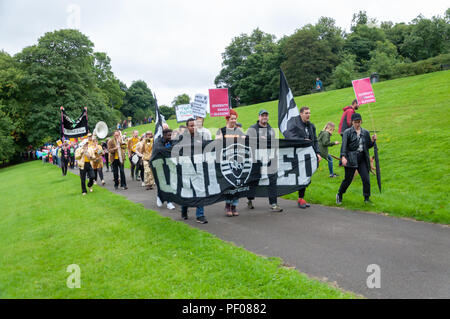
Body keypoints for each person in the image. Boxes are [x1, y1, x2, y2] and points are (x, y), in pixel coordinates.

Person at [283, 106, 322, 209]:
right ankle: (297, 197)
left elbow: (315, 140)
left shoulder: (311, 126)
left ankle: (301, 198)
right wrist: (302, 140)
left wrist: (317, 153)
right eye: (306, 113)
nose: (308, 115)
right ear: (301, 114)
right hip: (297, 155)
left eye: (309, 113)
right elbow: (287, 135)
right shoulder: (294, 124)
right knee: (299, 176)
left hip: (309, 155)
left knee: (306, 176)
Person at [246, 109, 283, 212]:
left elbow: (274, 142)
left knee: (273, 179)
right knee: (254, 180)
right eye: (263, 115)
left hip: (269, 158)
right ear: (259, 117)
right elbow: (248, 141)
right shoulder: (252, 129)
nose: (264, 117)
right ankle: (249, 199)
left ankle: (273, 203)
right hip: (256, 158)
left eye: (266, 115)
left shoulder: (271, 129)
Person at [336, 113, 377, 204]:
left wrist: (373, 141)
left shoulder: (365, 132)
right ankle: (340, 194)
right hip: (350, 158)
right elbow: (344, 146)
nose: (357, 124)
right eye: (355, 122)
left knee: (366, 179)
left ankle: (366, 198)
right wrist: (343, 157)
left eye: (359, 122)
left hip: (362, 158)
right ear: (352, 122)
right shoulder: (347, 132)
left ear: (361, 121)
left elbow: (368, 146)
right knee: (348, 180)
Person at [178, 118, 209, 224]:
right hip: (186, 168)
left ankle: (200, 215)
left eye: (195, 125)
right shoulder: (181, 138)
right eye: (191, 126)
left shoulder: (199, 137)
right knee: (187, 191)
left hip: (198, 168)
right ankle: (184, 210)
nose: (194, 127)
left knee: (200, 190)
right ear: (187, 127)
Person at [216, 109, 245, 217]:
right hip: (226, 161)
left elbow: (245, 142)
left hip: (238, 161)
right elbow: (217, 144)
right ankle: (228, 205)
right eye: (232, 118)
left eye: (235, 118)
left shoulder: (239, 130)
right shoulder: (221, 130)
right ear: (227, 119)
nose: (234, 120)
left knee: (237, 183)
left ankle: (234, 206)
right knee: (229, 183)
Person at [154, 128, 176, 210]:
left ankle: (165, 198)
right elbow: (160, 151)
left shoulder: (172, 141)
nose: (170, 137)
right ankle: (167, 201)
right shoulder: (159, 142)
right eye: (168, 135)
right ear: (164, 135)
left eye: (171, 135)